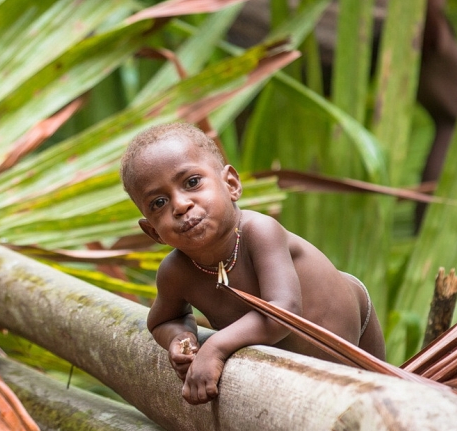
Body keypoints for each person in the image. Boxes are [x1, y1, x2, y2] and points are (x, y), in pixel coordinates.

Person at [119, 122, 386, 405]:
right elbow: (163, 320)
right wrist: (179, 340)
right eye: (159, 202)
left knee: (384, 402)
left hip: (351, 322)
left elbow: (283, 312)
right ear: (153, 232)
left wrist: (216, 348)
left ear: (230, 184)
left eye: (192, 182)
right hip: (287, 376)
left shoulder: (259, 232)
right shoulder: (175, 272)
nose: (180, 205)